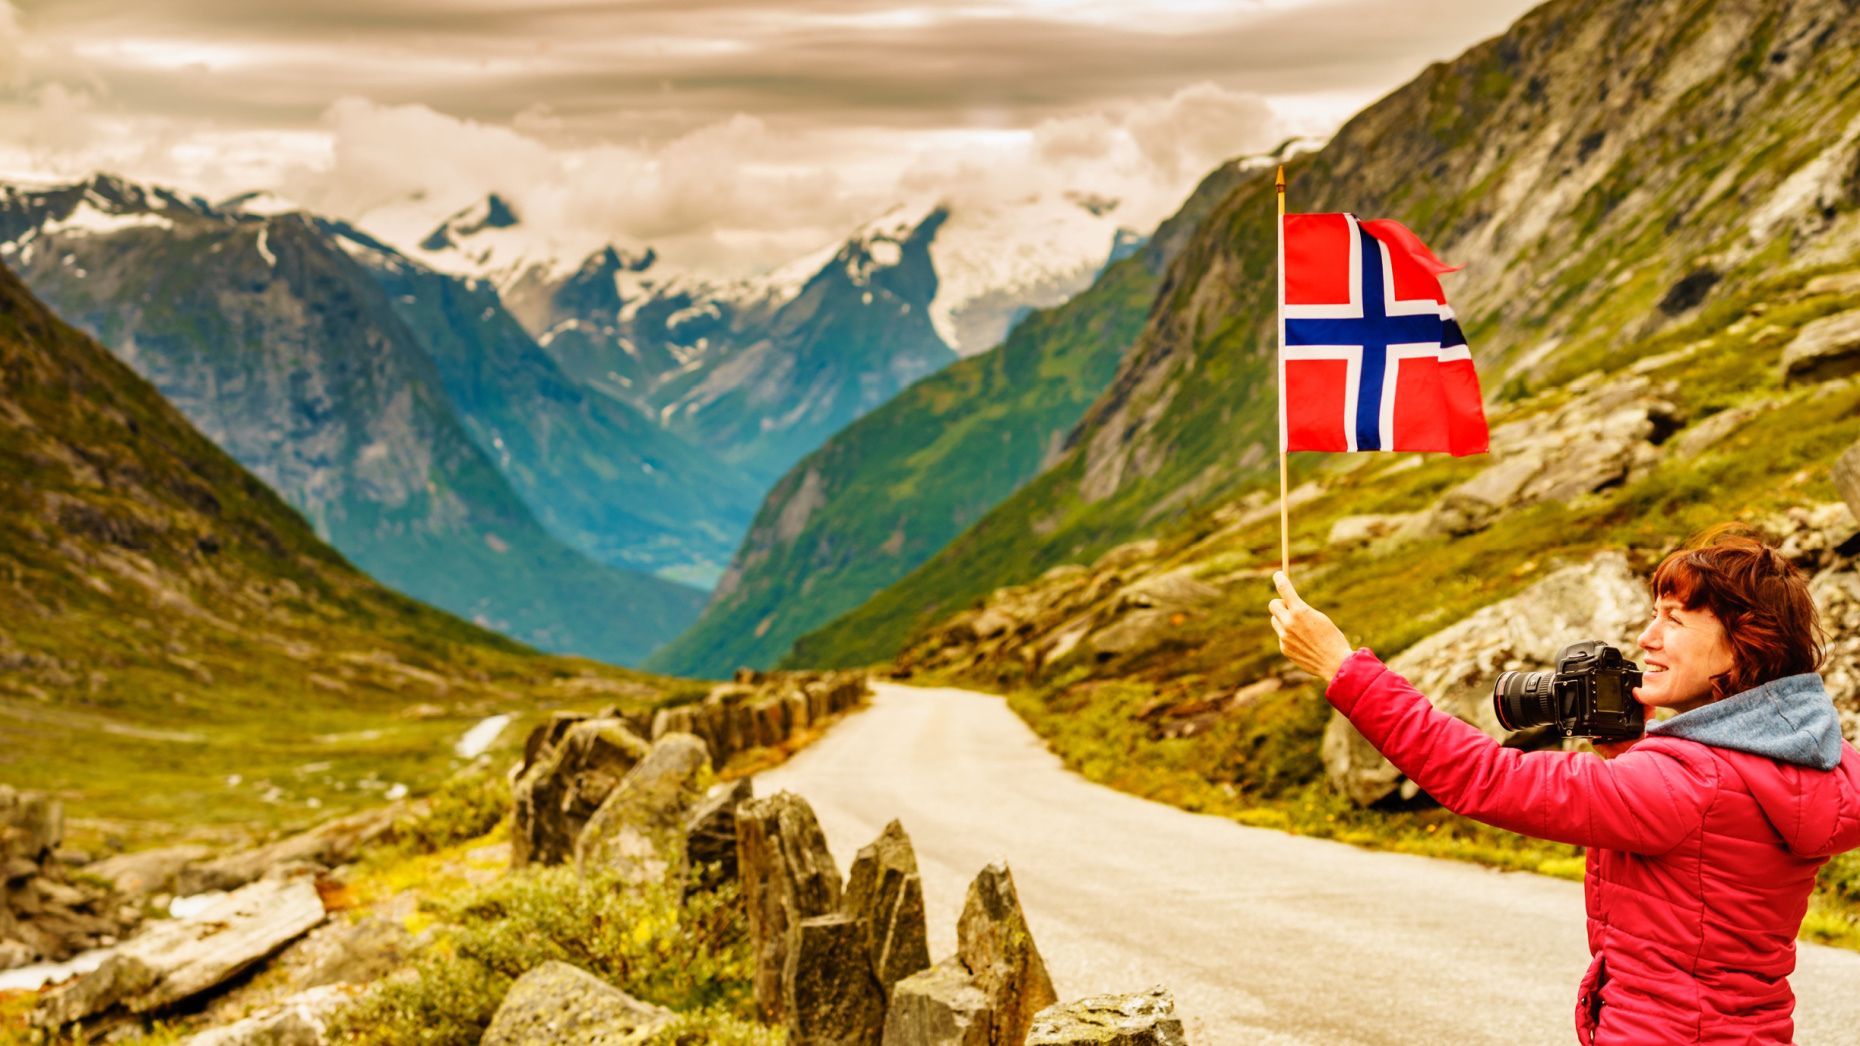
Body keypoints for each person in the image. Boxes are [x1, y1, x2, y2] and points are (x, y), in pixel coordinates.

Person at [1267, 525, 1860, 1044]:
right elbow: (1712, 836)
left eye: (1673, 621)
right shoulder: (1806, 760)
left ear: (1742, 648)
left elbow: (1485, 778)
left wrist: (1343, 669)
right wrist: (1636, 749)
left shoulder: (1685, 781)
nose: (1647, 637)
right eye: (1652, 614)